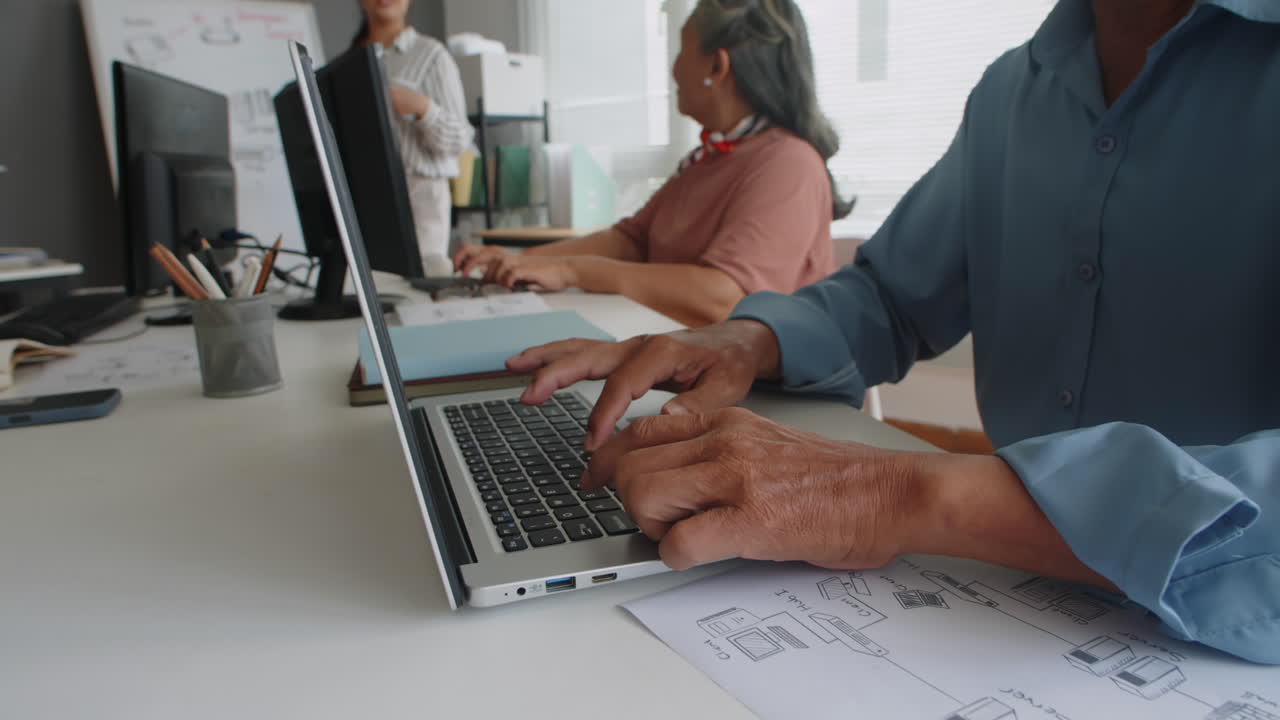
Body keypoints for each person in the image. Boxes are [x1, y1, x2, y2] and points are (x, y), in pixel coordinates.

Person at [502, 0, 1280, 664]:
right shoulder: (1014, 90)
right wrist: (745, 341)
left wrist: (901, 493)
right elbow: (893, 296)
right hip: (1007, 607)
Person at [453, 0, 850, 328]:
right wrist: (521, 261)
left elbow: (724, 298)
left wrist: (575, 271)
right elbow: (631, 241)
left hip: (760, 399)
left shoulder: (788, 163)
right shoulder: (708, 158)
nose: (674, 69)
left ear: (717, 66)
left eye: (681, 50)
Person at [354, 0, 473, 275]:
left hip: (420, 202)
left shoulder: (431, 55)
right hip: (367, 201)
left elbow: (459, 140)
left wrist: (422, 108)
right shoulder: (352, 61)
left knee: (414, 293)